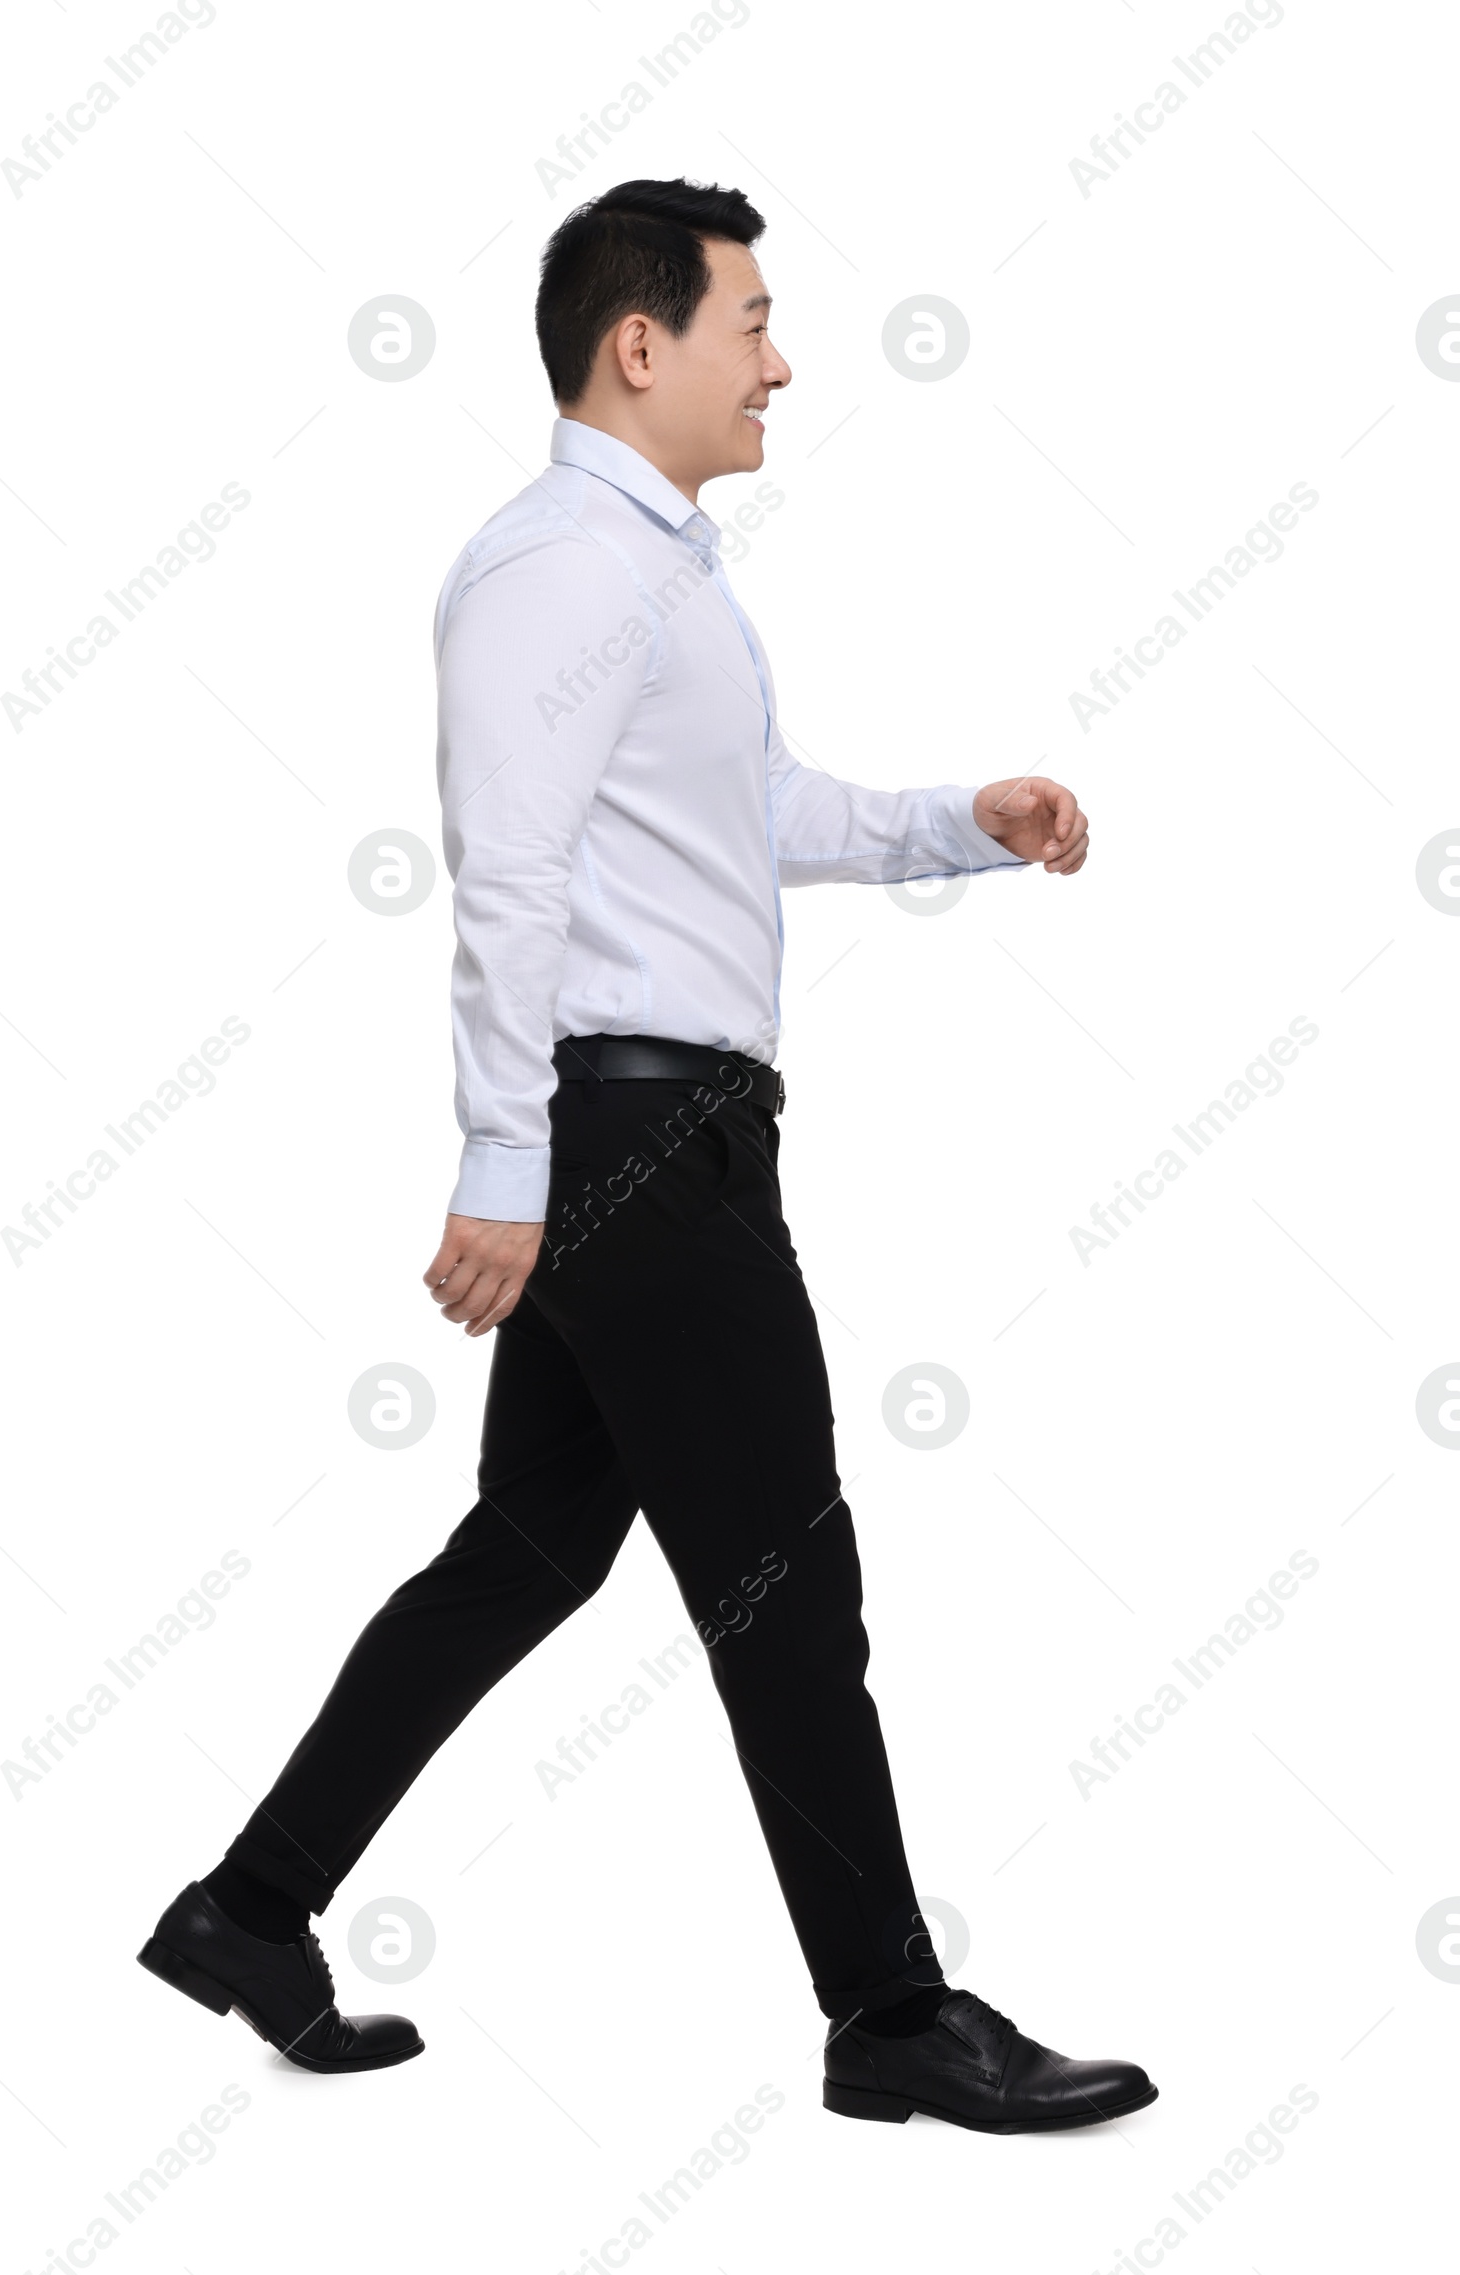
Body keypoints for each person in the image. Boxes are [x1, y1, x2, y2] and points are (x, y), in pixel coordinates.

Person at [139, 176, 1156, 2131]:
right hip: (631, 1145)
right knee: (786, 1578)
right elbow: (507, 876)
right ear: (639, 344)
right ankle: (889, 2016)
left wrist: (964, 812)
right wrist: (503, 1163)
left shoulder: (660, 581)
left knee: (524, 1554)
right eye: (748, 320)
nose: (778, 359)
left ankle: (250, 1911)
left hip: (650, 1132)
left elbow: (740, 812)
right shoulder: (557, 569)